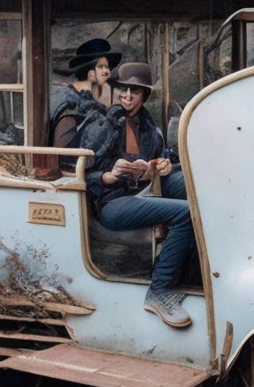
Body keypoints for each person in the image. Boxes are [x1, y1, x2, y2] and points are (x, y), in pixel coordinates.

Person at [85, 62, 195, 328]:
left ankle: (194, 272)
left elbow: (163, 156)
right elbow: (83, 173)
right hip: (113, 202)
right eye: (123, 90)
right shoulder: (104, 124)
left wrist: (164, 165)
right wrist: (110, 175)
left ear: (144, 95)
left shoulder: (147, 124)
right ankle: (159, 291)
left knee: (198, 193)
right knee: (186, 212)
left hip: (145, 190)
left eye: (134, 91)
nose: (127, 96)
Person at [49, 38, 121, 150]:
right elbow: (63, 149)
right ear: (91, 73)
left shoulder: (95, 97)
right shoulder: (69, 101)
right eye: (102, 67)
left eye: (108, 67)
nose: (108, 72)